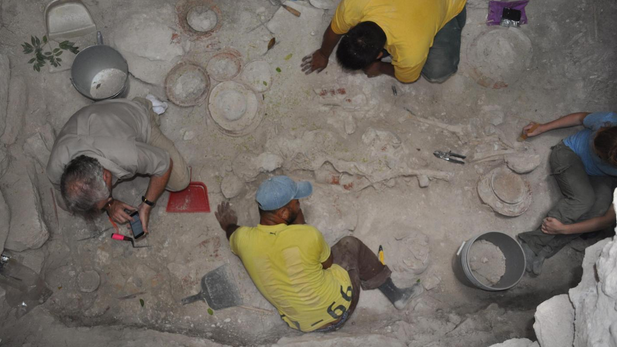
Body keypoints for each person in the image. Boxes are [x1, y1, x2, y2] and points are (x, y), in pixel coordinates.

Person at [215, 176, 423, 332]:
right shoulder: (308, 236)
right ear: (284, 214)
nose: (300, 204)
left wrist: (229, 224)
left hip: (303, 325)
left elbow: (232, 232)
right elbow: (327, 262)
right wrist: (301, 226)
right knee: (350, 244)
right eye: (297, 202)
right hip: (340, 311)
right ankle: (396, 295)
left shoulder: (243, 239)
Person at [46, 97, 190, 233]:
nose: (108, 201)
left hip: (136, 118)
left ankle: (147, 104)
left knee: (180, 181)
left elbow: (164, 164)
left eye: (107, 198)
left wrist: (146, 205)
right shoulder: (56, 168)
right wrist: (110, 205)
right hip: (97, 119)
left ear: (106, 175)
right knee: (65, 205)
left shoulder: (127, 155)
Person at [517, 112, 617, 276]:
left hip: (601, 176)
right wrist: (542, 128)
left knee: (598, 209)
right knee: (583, 200)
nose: (592, 149)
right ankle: (531, 243)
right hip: (570, 154)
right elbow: (579, 118)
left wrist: (564, 229)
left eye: (597, 154)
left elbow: (606, 220)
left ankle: (546, 249)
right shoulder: (608, 121)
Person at [301, 0, 467, 83]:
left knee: (438, 72)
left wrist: (380, 67)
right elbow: (334, 30)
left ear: (380, 54)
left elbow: (408, 78)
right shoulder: (355, 5)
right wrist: (323, 53)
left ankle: (455, 19)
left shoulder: (411, 49)